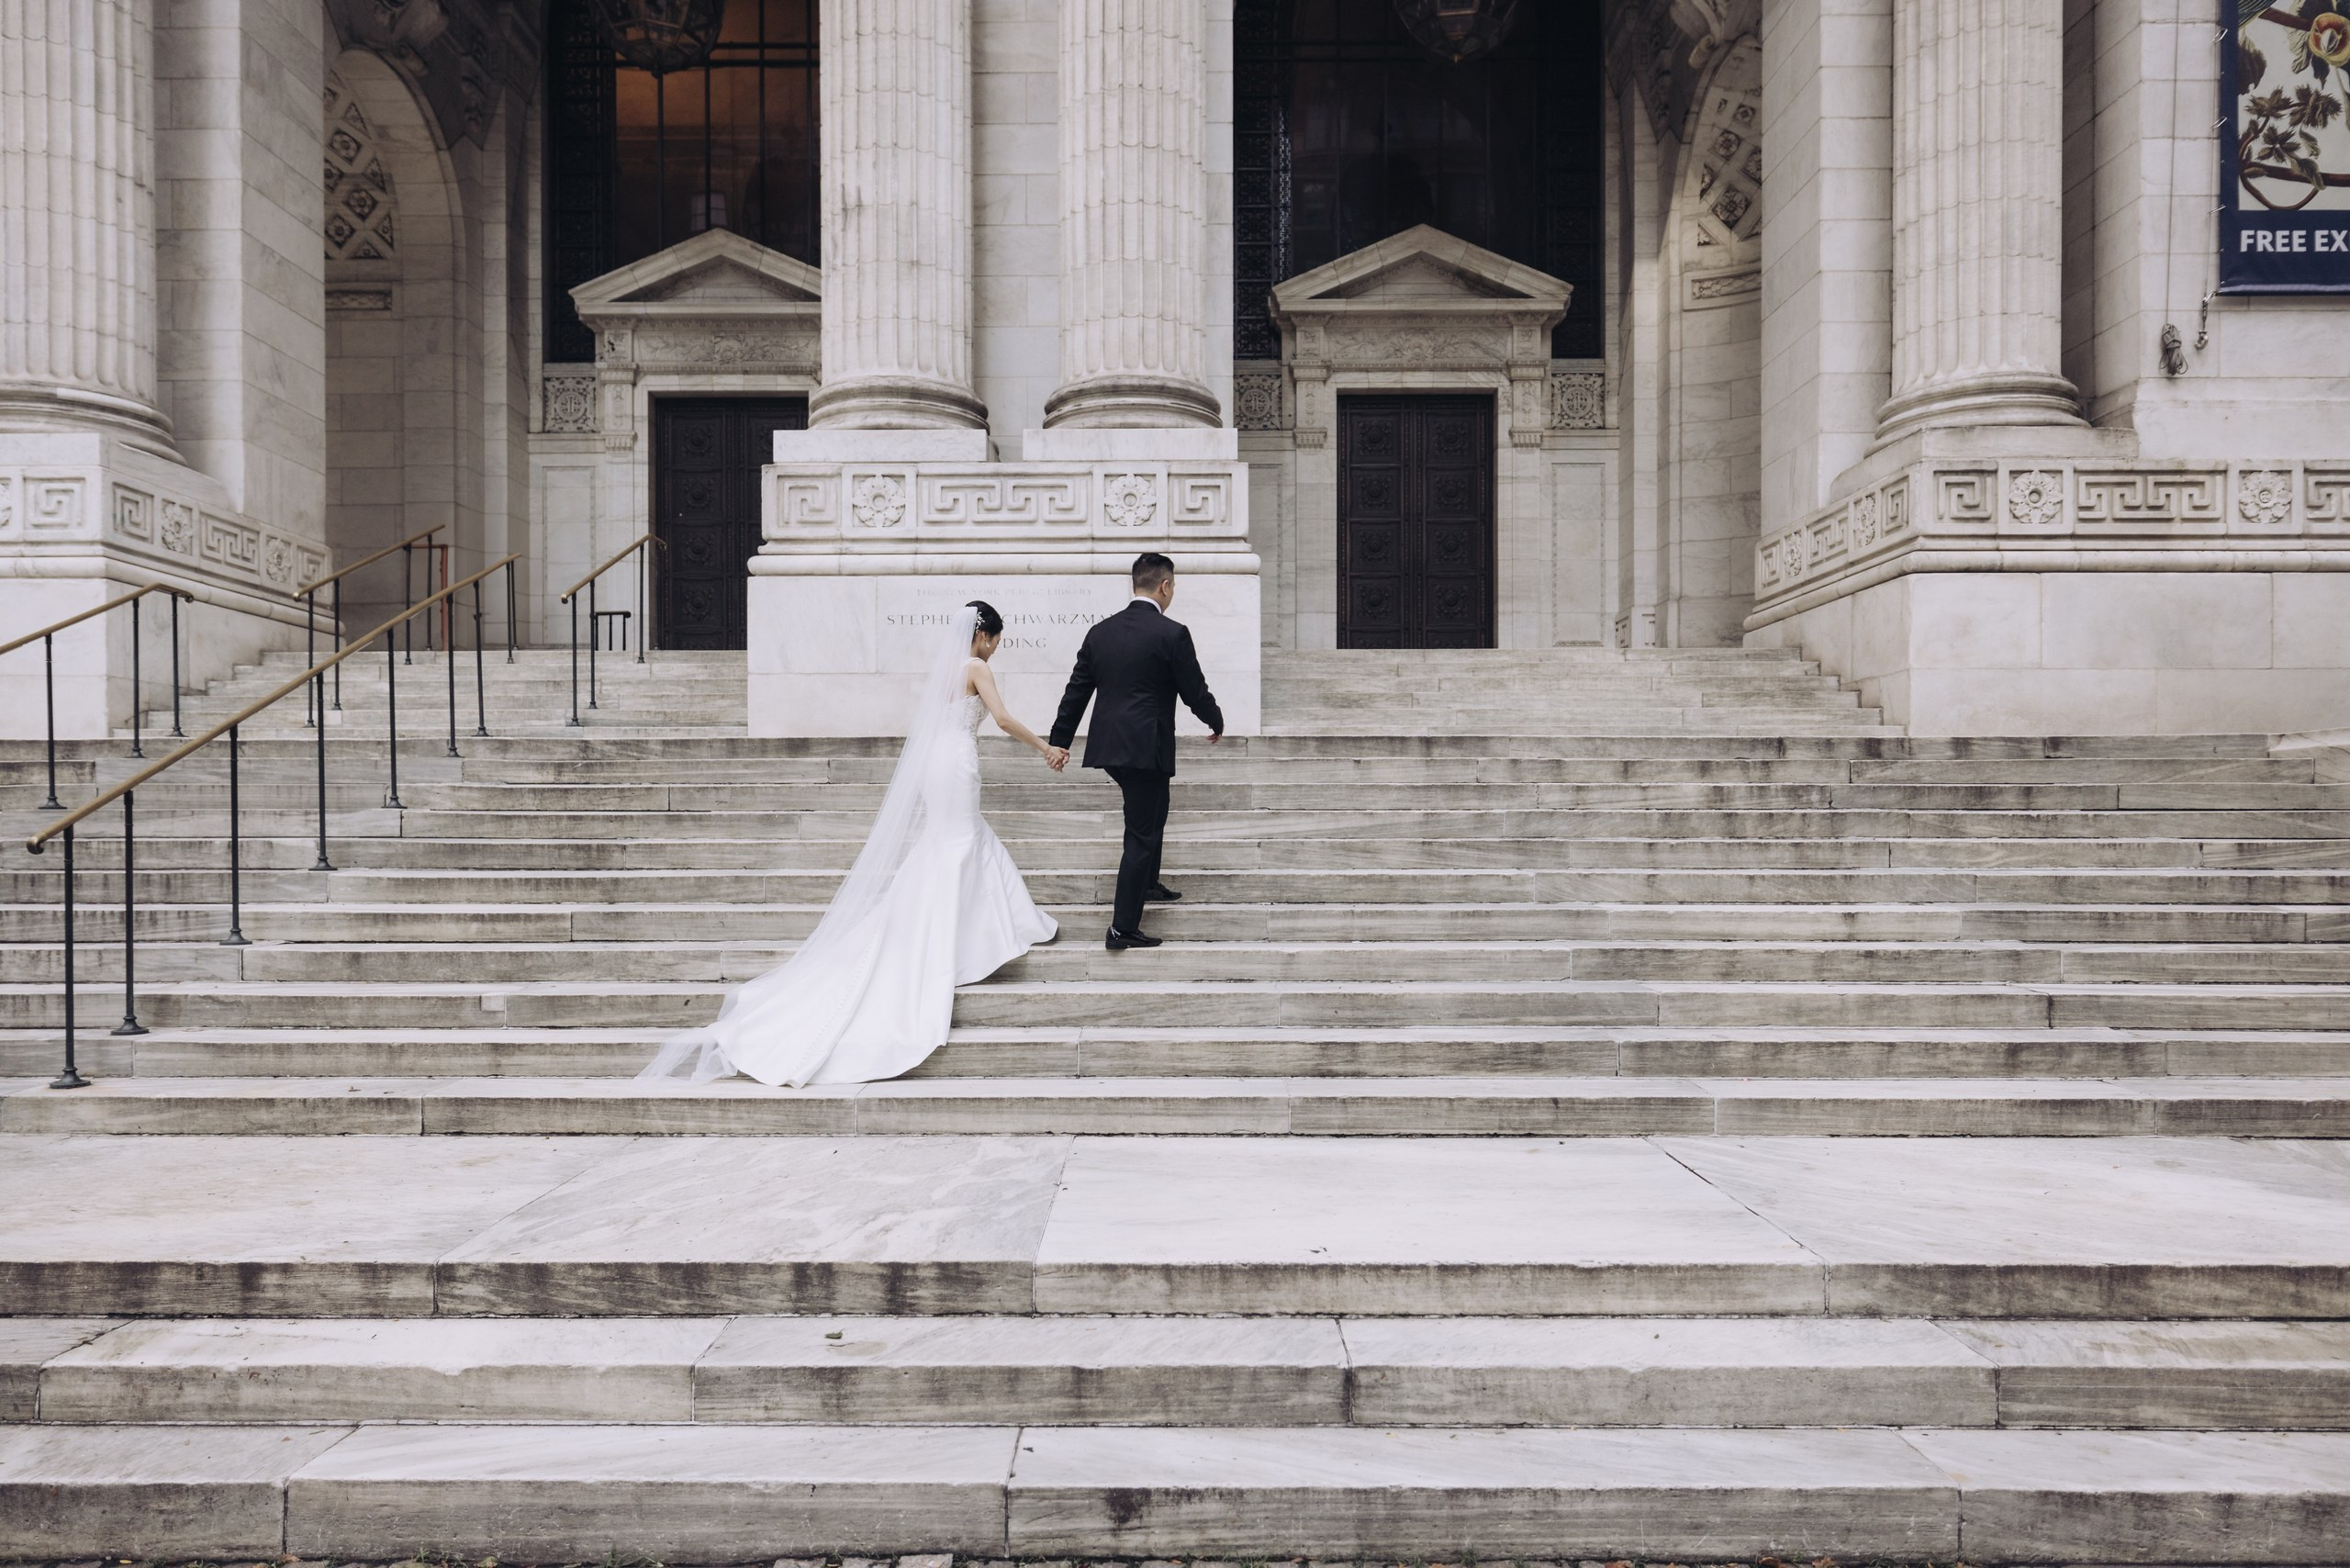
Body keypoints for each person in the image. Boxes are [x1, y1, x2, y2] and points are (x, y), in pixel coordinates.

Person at [636, 601, 1067, 1087]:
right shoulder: (974, 666)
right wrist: (1046, 747)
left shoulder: (946, 669)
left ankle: (975, 928)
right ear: (983, 635)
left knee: (953, 840)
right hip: (957, 763)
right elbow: (1004, 720)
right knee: (960, 839)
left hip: (936, 764)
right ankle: (972, 934)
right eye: (996, 640)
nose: (995, 649)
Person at [1048, 552, 1225, 950]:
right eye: (1173, 586)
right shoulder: (1172, 633)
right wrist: (1214, 719)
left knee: (1154, 810)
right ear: (1165, 586)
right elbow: (1193, 688)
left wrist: (1060, 739)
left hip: (1111, 746)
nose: (1173, 592)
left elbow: (1076, 691)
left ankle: (1148, 883)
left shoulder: (1100, 632)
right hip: (1146, 746)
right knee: (1141, 832)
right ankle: (1121, 928)